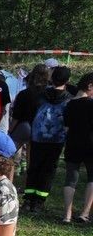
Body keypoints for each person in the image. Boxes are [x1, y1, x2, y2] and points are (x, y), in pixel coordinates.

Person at [24, 66, 73, 213]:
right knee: (48, 170)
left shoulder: (40, 95)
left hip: (37, 137)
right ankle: (39, 201)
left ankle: (28, 199)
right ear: (68, 80)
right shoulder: (69, 99)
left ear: (51, 78)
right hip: (56, 140)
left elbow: (31, 114)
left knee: (34, 166)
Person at [61, 72, 93, 224]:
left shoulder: (69, 104)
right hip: (90, 144)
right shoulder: (91, 104)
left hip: (73, 143)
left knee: (70, 179)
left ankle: (67, 215)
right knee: (92, 177)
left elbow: (66, 127)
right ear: (90, 86)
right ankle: (84, 214)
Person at [9, 63, 50, 174]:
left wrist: (10, 130)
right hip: (40, 129)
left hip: (23, 127)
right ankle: (29, 184)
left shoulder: (24, 94)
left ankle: (9, 181)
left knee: (9, 156)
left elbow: (16, 116)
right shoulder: (49, 94)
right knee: (31, 160)